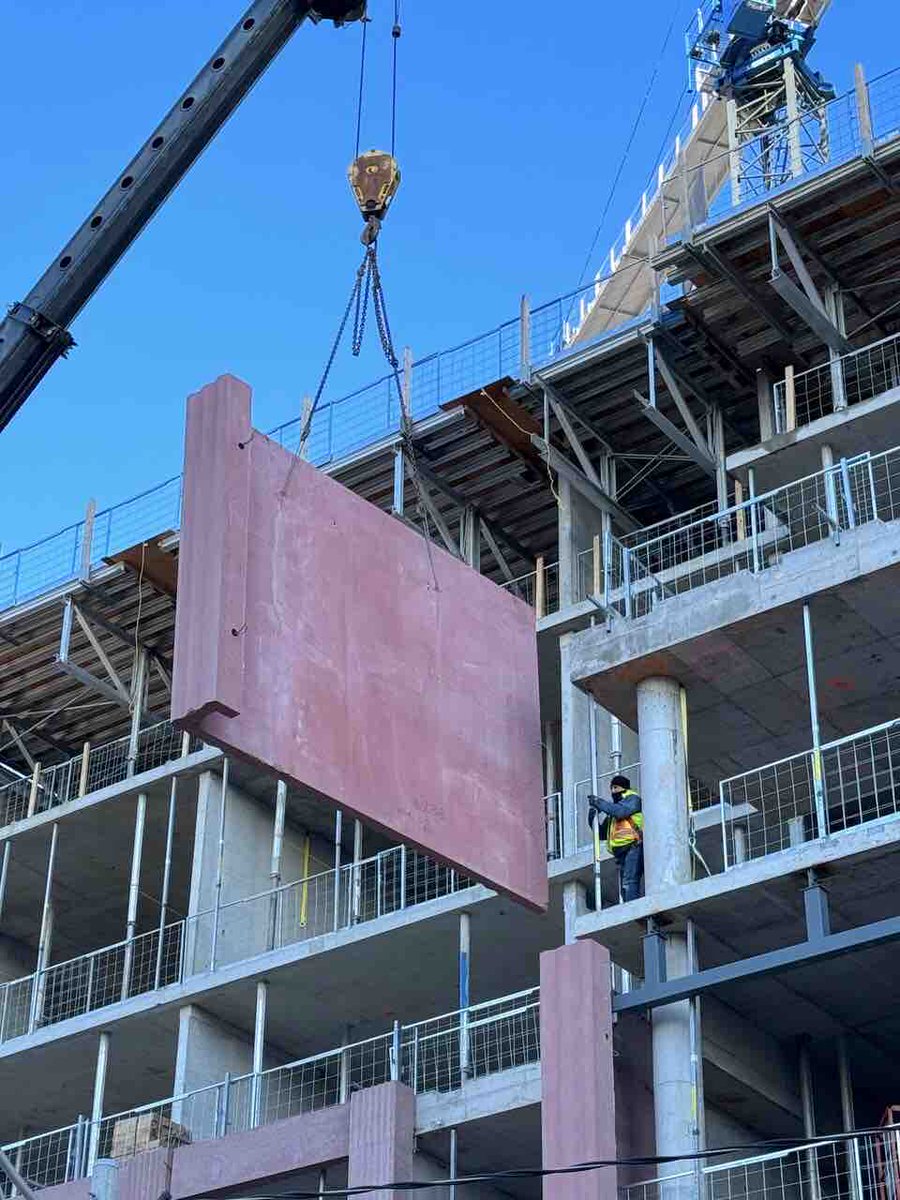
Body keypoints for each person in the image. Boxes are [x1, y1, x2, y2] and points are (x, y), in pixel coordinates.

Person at [587, 775, 644, 902]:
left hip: (633, 847)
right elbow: (602, 835)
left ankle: (634, 911)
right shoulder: (613, 813)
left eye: (616, 787)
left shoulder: (633, 800)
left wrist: (598, 802)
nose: (613, 791)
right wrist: (592, 820)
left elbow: (620, 812)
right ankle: (632, 911)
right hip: (622, 852)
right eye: (611, 788)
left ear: (624, 788)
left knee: (629, 882)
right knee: (625, 887)